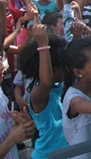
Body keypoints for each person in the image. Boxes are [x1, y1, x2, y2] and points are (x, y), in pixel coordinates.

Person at [19, 25, 68, 159]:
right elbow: (46, 82)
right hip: (46, 156)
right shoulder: (38, 96)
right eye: (63, 66)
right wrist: (43, 45)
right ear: (52, 71)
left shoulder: (60, 87)